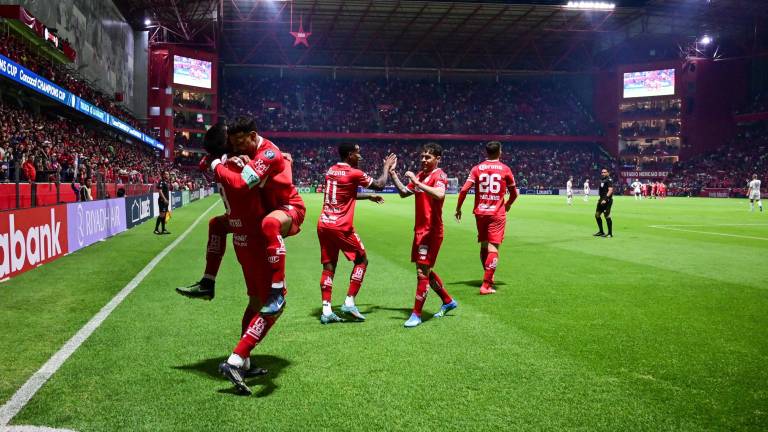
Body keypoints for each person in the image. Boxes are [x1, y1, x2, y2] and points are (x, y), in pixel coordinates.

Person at [202, 123, 279, 395]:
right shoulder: (233, 166)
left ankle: (245, 362)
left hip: (240, 239)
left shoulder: (224, 161)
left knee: (255, 302)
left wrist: (215, 161)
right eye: (230, 136)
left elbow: (208, 159)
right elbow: (242, 181)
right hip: (256, 239)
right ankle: (236, 359)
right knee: (274, 303)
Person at [227, 117, 306, 315]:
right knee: (218, 224)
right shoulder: (243, 151)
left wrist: (250, 171)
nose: (237, 148)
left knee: (270, 224)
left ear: (253, 136)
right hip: (266, 209)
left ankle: (277, 292)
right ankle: (207, 281)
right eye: (234, 144)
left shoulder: (269, 152)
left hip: (288, 206)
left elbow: (285, 182)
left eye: (240, 142)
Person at [316, 143, 396, 324]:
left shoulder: (331, 171)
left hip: (324, 224)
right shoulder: (354, 173)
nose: (360, 157)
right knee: (361, 260)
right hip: (341, 226)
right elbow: (380, 184)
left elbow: (344, 194)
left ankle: (326, 310)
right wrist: (386, 167)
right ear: (350, 155)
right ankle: (349, 302)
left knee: (329, 267)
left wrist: (367, 196)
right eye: (357, 154)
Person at [390, 143, 457, 328]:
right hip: (420, 230)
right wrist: (393, 174)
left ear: (438, 159)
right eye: (422, 157)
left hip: (432, 231)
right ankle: (448, 301)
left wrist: (418, 183)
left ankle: (416, 315)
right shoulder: (420, 175)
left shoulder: (439, 175)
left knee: (421, 272)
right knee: (424, 270)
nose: (423, 160)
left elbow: (440, 193)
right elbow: (404, 193)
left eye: (428, 157)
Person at [454, 141, 518, 295]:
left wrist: (458, 208)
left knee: (484, 245)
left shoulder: (477, 169)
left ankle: (488, 273)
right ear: (499, 152)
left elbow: (463, 190)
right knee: (493, 247)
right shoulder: (505, 169)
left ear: (486, 152)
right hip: (496, 213)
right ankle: (486, 285)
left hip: (480, 213)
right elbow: (514, 193)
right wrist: (508, 204)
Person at [594, 168, 614, 238]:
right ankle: (601, 231)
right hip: (601, 200)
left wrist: (605, 199)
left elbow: (610, 190)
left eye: (604, 172)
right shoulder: (602, 180)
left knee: (607, 216)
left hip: (607, 201)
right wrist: (600, 199)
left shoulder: (609, 180)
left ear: (607, 173)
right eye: (602, 172)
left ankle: (610, 233)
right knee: (597, 215)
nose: (603, 173)